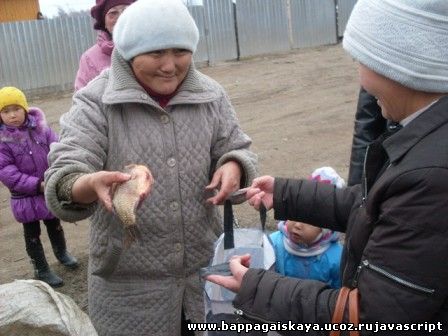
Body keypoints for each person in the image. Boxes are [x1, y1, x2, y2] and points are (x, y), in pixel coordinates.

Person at [206, 0, 448, 334]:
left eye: (362, 59)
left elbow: (373, 317)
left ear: (399, 64)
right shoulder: (425, 140)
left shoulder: (431, 175)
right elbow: (374, 207)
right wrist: (289, 195)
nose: (359, 76)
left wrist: (257, 286)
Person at [44, 0, 257, 335]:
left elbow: (236, 147)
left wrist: (234, 166)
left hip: (204, 275)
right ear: (129, 52)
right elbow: (65, 170)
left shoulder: (211, 95)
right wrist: (86, 184)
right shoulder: (96, 100)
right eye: (156, 53)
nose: (170, 65)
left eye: (180, 51)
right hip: (128, 288)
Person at [0, 87, 78, 288]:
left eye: (16, 108)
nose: (12, 115)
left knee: (55, 225)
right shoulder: (2, 141)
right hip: (26, 196)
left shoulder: (40, 128)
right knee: (32, 234)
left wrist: (60, 171)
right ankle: (41, 269)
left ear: (25, 109)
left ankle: (62, 253)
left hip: (48, 189)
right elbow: (7, 172)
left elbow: (57, 147)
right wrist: (36, 185)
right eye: (5, 111)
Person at [269, 167, 344, 288]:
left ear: (325, 229)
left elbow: (338, 295)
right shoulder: (273, 244)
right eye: (295, 214)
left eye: (309, 220)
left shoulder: (336, 258)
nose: (298, 225)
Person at [74, 0, 135, 91]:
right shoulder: (89, 59)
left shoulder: (151, 48)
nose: (121, 18)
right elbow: (82, 99)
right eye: (113, 13)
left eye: (126, 10)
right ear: (104, 23)